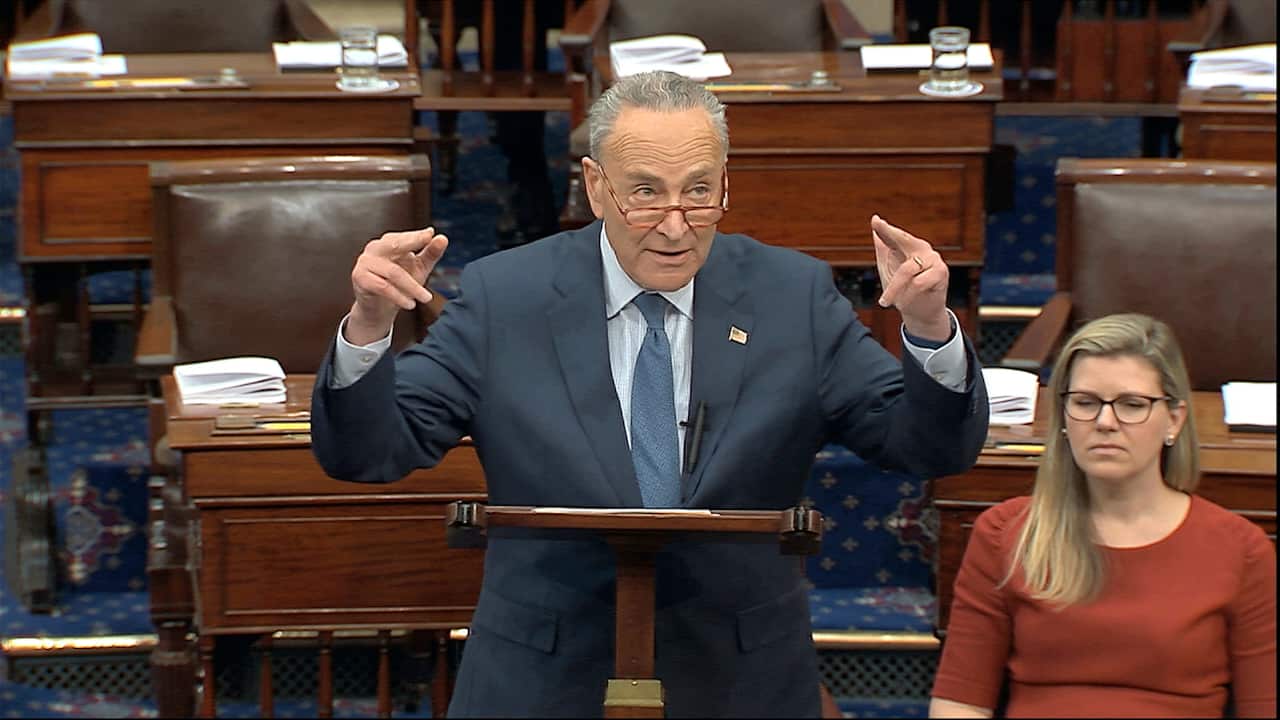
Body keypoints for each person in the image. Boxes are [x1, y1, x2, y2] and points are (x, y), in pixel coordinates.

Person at [311, 70, 989, 717]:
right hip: (543, 677)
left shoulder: (793, 296)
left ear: (726, 183)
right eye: (645, 193)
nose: (674, 225)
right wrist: (369, 327)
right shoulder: (505, 296)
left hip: (741, 678)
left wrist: (930, 328)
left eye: (699, 191)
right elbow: (369, 452)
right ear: (595, 186)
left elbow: (923, 447)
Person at [930, 313, 1277, 718]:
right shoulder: (1004, 533)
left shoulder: (1240, 550)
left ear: (1174, 419)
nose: (1105, 422)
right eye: (1086, 402)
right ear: (1063, 416)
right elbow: (960, 702)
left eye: (1132, 405)